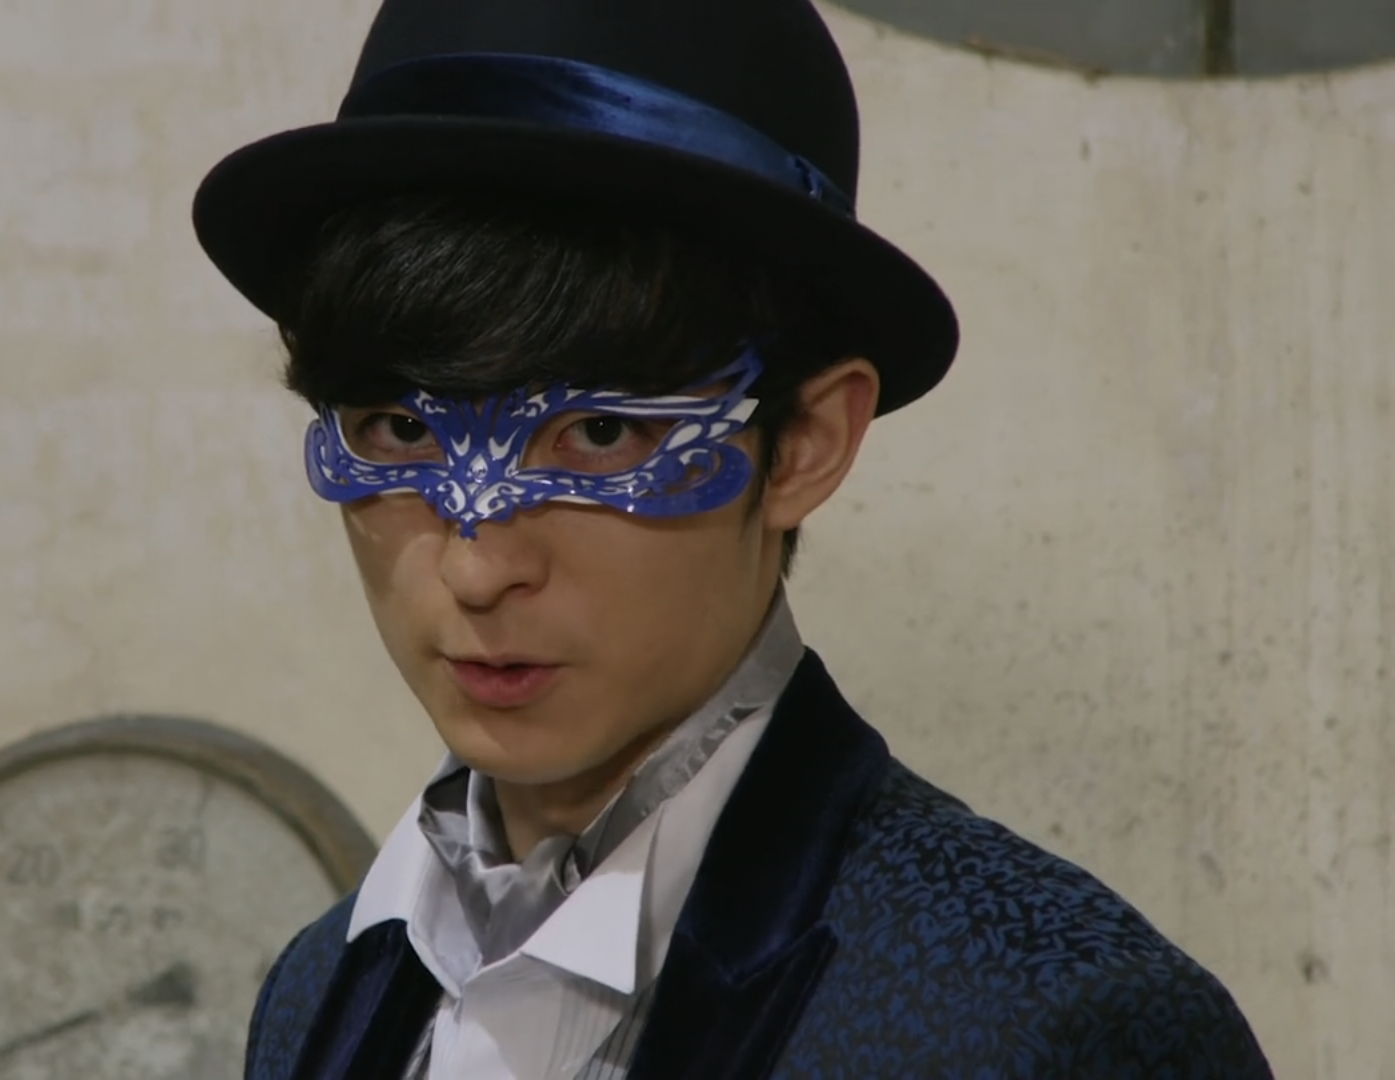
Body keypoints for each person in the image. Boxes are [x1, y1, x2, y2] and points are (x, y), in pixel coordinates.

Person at [191, 0, 1275, 1076]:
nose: (478, 568)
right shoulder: (316, 996)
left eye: (601, 434)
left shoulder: (1052, 1026)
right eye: (402, 429)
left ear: (804, 443)